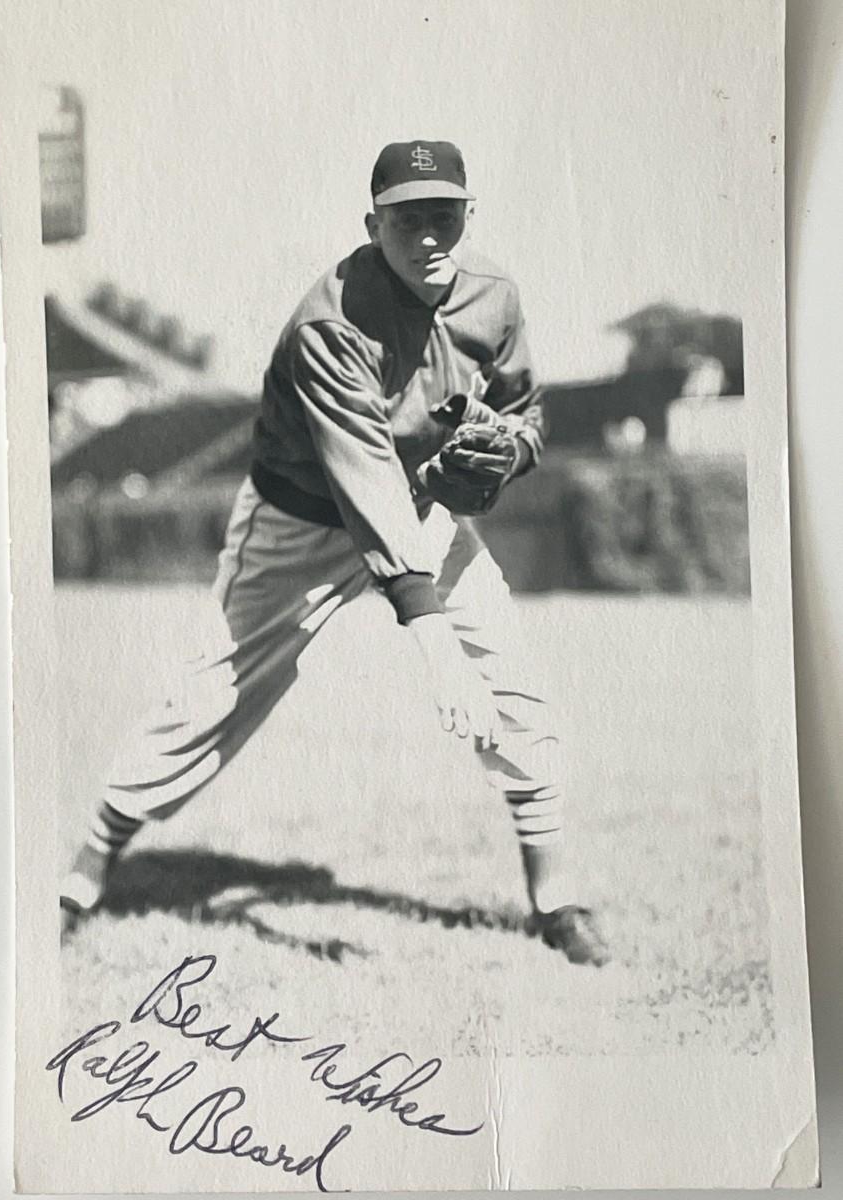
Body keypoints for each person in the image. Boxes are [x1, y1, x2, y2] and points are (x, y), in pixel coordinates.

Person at [60, 140, 609, 966]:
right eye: (406, 219)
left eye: (444, 214)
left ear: (470, 214)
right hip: (300, 522)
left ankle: (555, 898)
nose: (428, 235)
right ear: (372, 225)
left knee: (515, 689)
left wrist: (512, 450)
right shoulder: (332, 319)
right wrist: (432, 642)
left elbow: (527, 411)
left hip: (417, 507)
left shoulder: (494, 297)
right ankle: (85, 868)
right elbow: (367, 486)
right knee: (209, 703)